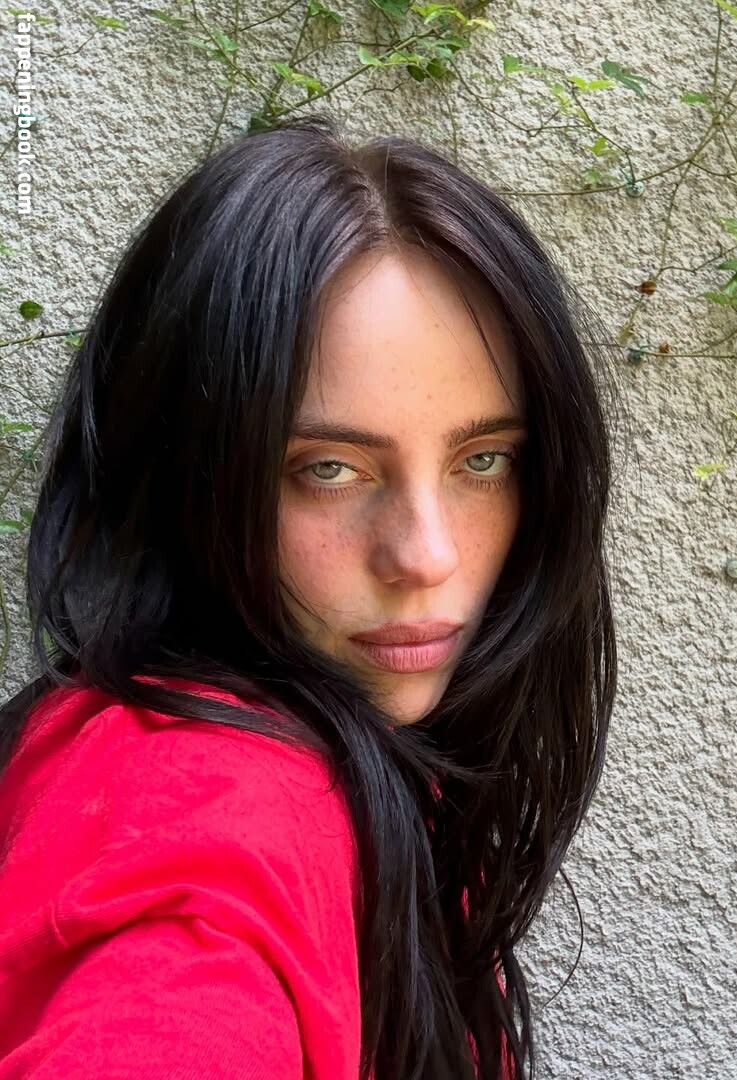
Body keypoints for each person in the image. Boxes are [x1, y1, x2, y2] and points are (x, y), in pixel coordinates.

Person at [0, 113, 621, 1079]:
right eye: (328, 469)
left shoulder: (370, 755)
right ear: (187, 474)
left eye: (484, 460)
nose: (427, 555)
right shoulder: (208, 824)